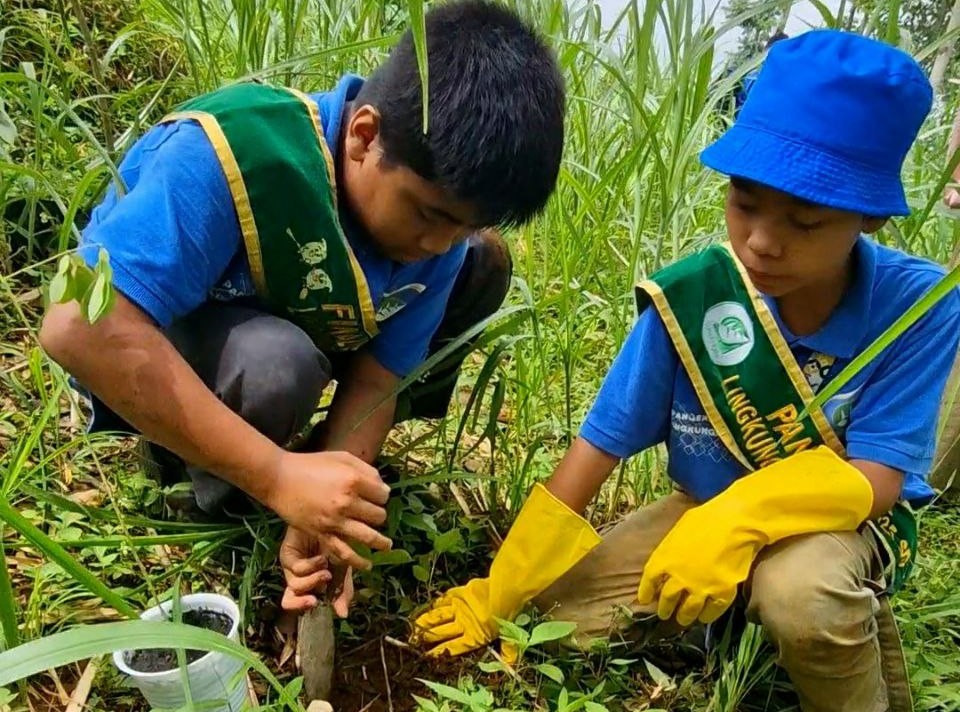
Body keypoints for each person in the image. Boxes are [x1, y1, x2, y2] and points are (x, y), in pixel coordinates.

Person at [413, 30, 960, 712]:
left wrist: (737, 520)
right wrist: (503, 587)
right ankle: (726, 616)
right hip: (695, 512)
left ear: (870, 218)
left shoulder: (920, 306)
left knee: (801, 594)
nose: (761, 240)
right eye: (745, 203)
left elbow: (876, 481)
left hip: (829, 529)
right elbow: (595, 452)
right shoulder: (698, 297)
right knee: (551, 620)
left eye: (806, 219)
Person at [39, 0, 565, 615]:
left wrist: (330, 514)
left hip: (301, 329)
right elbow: (78, 326)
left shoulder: (440, 231)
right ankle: (195, 473)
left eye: (461, 226)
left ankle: (303, 465)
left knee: (486, 264)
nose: (437, 246)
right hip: (168, 343)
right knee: (274, 364)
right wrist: (278, 479)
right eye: (430, 215)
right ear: (365, 136)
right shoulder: (232, 155)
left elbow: (380, 377)